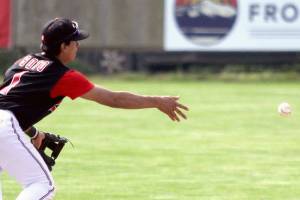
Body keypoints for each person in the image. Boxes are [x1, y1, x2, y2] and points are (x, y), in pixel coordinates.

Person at [0, 18, 188, 200]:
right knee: (42, 185)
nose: (78, 46)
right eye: (75, 41)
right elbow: (113, 98)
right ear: (64, 46)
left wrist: (34, 133)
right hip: (4, 125)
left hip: (6, 122)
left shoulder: (24, 62)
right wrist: (156, 101)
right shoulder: (63, 76)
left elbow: (12, 104)